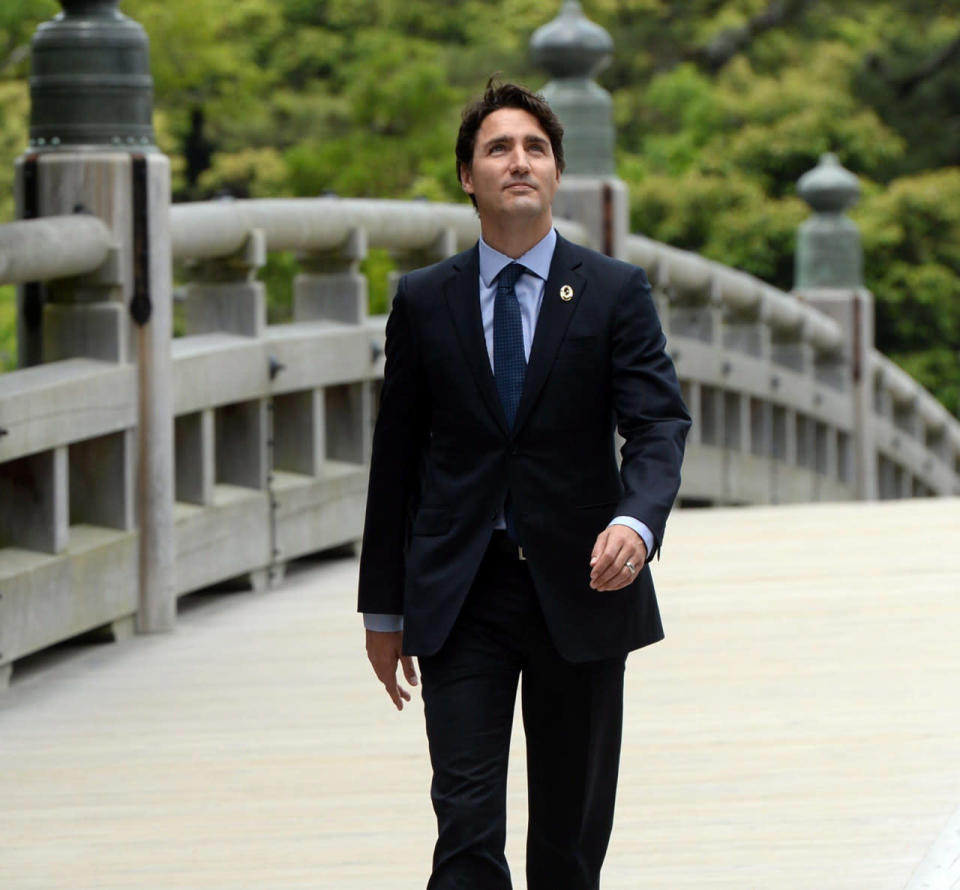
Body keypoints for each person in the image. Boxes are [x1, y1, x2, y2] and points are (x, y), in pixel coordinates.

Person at [358, 78, 690, 890]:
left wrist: (636, 523)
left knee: (569, 848)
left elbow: (658, 426)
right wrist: (382, 607)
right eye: (498, 148)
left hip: (580, 586)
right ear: (468, 176)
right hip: (461, 593)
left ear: (555, 174)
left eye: (535, 148)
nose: (518, 161)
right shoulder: (426, 299)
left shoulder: (614, 291)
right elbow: (395, 458)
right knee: (466, 831)